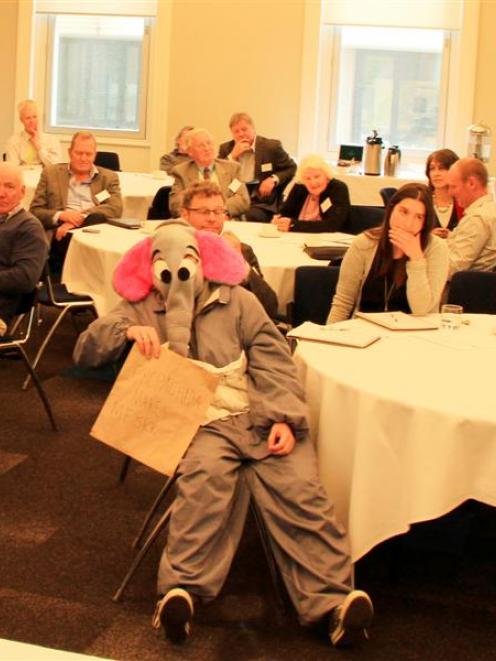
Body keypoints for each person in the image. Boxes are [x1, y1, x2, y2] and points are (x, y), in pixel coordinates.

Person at [73, 220, 374, 650]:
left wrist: (284, 419)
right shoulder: (140, 305)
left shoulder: (240, 301)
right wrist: (123, 330)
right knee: (205, 484)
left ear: (204, 260)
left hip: (260, 416)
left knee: (300, 490)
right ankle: (181, 593)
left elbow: (274, 361)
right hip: (200, 425)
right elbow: (86, 350)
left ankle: (334, 603)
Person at [328, 183, 449, 323]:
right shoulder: (364, 244)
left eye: (418, 217)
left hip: (415, 337)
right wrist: (329, 335)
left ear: (425, 222)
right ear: (391, 209)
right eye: (403, 212)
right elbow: (343, 303)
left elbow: (421, 310)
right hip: (364, 334)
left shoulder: (437, 249)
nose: (408, 223)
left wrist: (416, 258)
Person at [180, 181, 278, 318]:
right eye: (204, 212)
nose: (212, 218)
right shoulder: (172, 251)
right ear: (185, 214)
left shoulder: (242, 250)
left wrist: (240, 263)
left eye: (218, 211)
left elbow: (269, 309)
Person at [29, 131, 123, 269]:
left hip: (94, 231)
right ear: (69, 152)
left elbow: (115, 208)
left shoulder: (108, 177)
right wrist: (62, 215)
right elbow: (35, 211)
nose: (83, 158)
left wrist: (78, 220)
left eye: (88, 154)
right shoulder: (51, 173)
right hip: (60, 234)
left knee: (96, 217)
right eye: (79, 153)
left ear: (95, 155)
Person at [218, 112, 296, 222]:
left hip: (260, 200)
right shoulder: (226, 148)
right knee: (221, 215)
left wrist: (273, 179)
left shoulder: (271, 147)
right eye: (236, 131)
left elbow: (291, 168)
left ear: (253, 129)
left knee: (247, 217)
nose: (241, 134)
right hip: (236, 193)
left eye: (244, 129)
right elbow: (218, 174)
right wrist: (232, 156)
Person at [0, 163, 48, 336]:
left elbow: (25, 278)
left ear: (22, 192)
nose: (1, 193)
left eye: (9, 187)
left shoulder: (28, 227)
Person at [169, 129, 250, 219]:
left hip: (227, 220)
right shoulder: (181, 172)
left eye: (209, 143)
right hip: (194, 223)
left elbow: (243, 199)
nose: (207, 148)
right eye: (201, 145)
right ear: (190, 152)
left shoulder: (232, 169)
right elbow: (175, 204)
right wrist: (202, 212)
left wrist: (219, 211)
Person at [272, 155, 350, 233]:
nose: (313, 182)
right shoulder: (300, 187)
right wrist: (279, 220)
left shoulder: (338, 188)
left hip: (328, 239)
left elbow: (332, 225)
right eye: (307, 178)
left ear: (326, 175)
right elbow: (286, 213)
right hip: (297, 237)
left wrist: (294, 225)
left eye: (317, 176)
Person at [446, 157, 496, 278]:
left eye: (453, 187)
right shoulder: (489, 209)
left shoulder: (477, 219)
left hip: (463, 292)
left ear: (471, 183)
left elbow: (452, 268)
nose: (450, 193)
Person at [5, 99, 62, 167]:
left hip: (45, 176)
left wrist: (39, 147)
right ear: (21, 120)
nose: (32, 121)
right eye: (28, 118)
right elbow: (12, 169)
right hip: (23, 176)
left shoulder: (51, 140)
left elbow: (56, 166)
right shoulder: (13, 142)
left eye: (34, 117)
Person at [425, 148, 463, 237]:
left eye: (441, 169)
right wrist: (427, 235)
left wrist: (453, 236)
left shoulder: (462, 202)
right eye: (432, 169)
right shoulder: (423, 200)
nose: (436, 174)